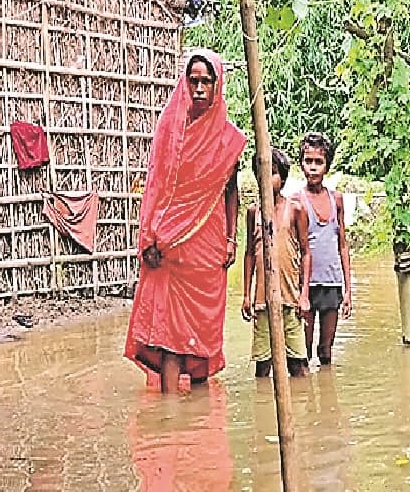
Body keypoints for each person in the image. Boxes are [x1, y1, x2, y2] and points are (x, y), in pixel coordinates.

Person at [125, 49, 245, 393]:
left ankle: (199, 424)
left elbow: (230, 191)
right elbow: (155, 184)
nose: (199, 89)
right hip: (169, 247)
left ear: (217, 86)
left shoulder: (228, 139)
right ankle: (169, 416)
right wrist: (148, 238)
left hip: (207, 246)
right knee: (169, 336)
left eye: (207, 81)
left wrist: (231, 238)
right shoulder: (170, 128)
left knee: (204, 329)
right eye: (193, 81)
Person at [242, 148, 311, 377]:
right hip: (262, 301)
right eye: (261, 173)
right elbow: (250, 254)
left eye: (272, 173)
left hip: (290, 298)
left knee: (298, 365)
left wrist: (304, 295)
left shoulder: (295, 210)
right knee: (263, 367)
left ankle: (301, 408)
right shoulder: (254, 212)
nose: (267, 178)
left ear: (283, 177)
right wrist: (246, 295)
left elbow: (305, 252)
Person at [297, 132, 352, 366]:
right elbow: (295, 248)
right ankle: (306, 399)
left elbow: (342, 245)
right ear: (301, 164)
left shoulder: (336, 200)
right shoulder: (296, 202)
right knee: (303, 351)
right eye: (308, 162)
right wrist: (298, 291)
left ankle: (328, 397)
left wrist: (348, 289)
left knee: (326, 351)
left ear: (327, 165)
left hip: (332, 282)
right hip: (306, 285)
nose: (313, 168)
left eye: (318, 162)